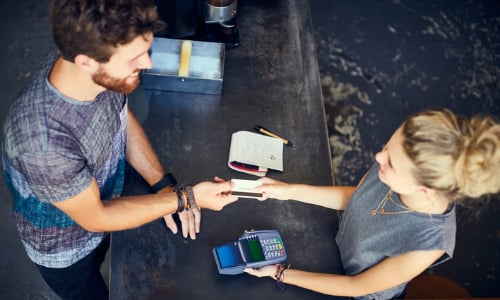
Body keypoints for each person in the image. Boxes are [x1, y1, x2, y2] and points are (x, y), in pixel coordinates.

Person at [1, 0, 237, 299]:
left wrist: (162, 184)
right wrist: (185, 197)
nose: (148, 65)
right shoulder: (44, 144)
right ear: (86, 61)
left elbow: (119, 115)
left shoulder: (91, 66)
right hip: (68, 246)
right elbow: (96, 217)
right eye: (134, 58)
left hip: (104, 196)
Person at [244, 109, 500, 299]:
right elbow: (356, 197)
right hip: (338, 249)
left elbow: (356, 286)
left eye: (390, 162)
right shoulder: (392, 167)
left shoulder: (428, 244)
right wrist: (289, 191)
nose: (379, 157)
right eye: (387, 147)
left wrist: (280, 273)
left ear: (424, 189)